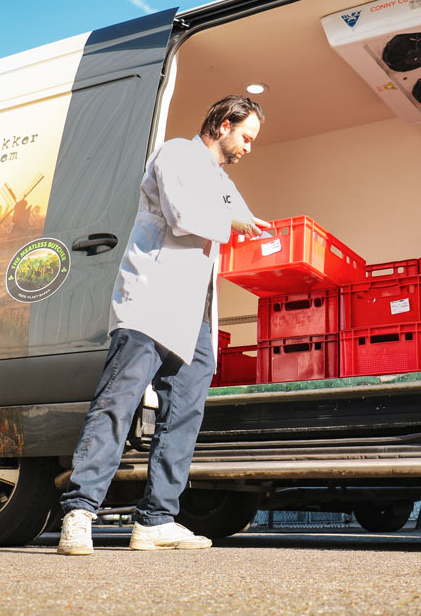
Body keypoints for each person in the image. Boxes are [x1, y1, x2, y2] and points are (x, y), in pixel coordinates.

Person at [57, 95, 269, 555]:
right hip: (151, 299)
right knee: (118, 402)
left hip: (193, 314)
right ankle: (79, 511)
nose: (248, 147)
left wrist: (256, 226)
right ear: (225, 123)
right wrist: (234, 220)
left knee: (185, 416)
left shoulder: (222, 180)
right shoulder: (176, 153)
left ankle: (156, 519)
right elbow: (184, 216)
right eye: (246, 136)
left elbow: (242, 219)